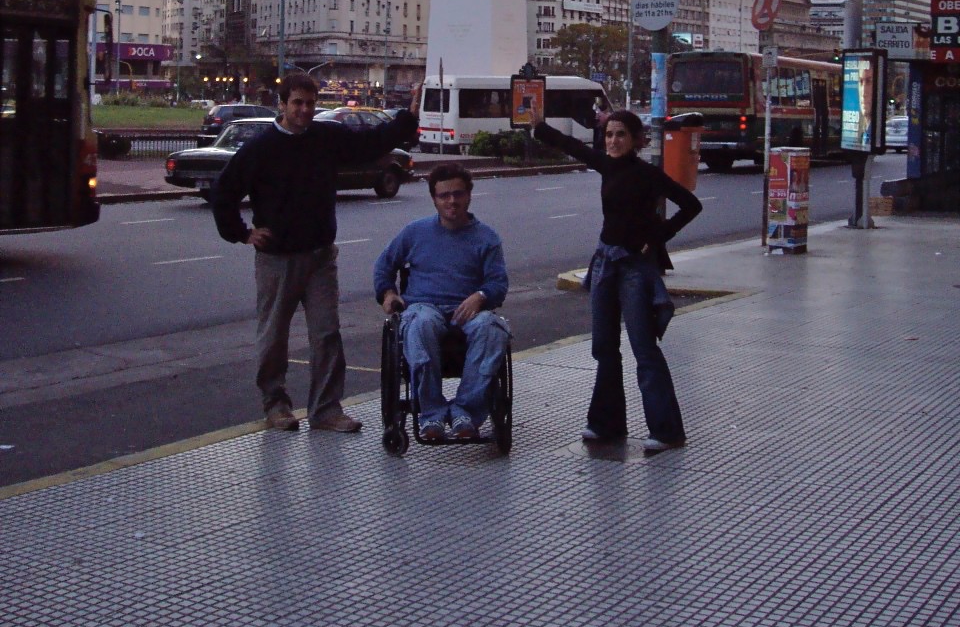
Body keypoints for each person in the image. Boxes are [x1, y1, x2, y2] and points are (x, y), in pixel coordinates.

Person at [212, 72, 421, 433]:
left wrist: (407, 119)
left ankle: (326, 409)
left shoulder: (326, 137)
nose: (305, 110)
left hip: (321, 256)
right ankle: (276, 405)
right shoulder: (262, 147)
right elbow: (224, 191)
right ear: (282, 104)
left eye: (310, 103)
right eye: (297, 103)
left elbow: (369, 144)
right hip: (277, 259)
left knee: (326, 334)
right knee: (274, 336)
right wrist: (242, 234)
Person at [531, 105, 702, 452]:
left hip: (634, 269)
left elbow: (690, 205)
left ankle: (667, 431)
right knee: (604, 347)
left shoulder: (647, 174)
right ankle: (606, 424)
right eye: (608, 134)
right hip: (604, 263)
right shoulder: (607, 166)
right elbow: (574, 147)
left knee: (643, 348)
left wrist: (657, 237)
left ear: (636, 139)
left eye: (620, 134)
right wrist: (540, 127)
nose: (613, 141)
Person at [373, 162, 509, 442]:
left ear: (469, 195)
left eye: (458, 194)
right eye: (444, 195)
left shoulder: (487, 238)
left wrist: (480, 296)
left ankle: (465, 413)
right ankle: (431, 414)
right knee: (420, 324)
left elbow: (498, 283)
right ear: (434, 199)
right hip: (425, 306)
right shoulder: (415, 232)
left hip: (468, 310)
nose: (452, 201)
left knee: (493, 329)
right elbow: (384, 266)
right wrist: (388, 293)